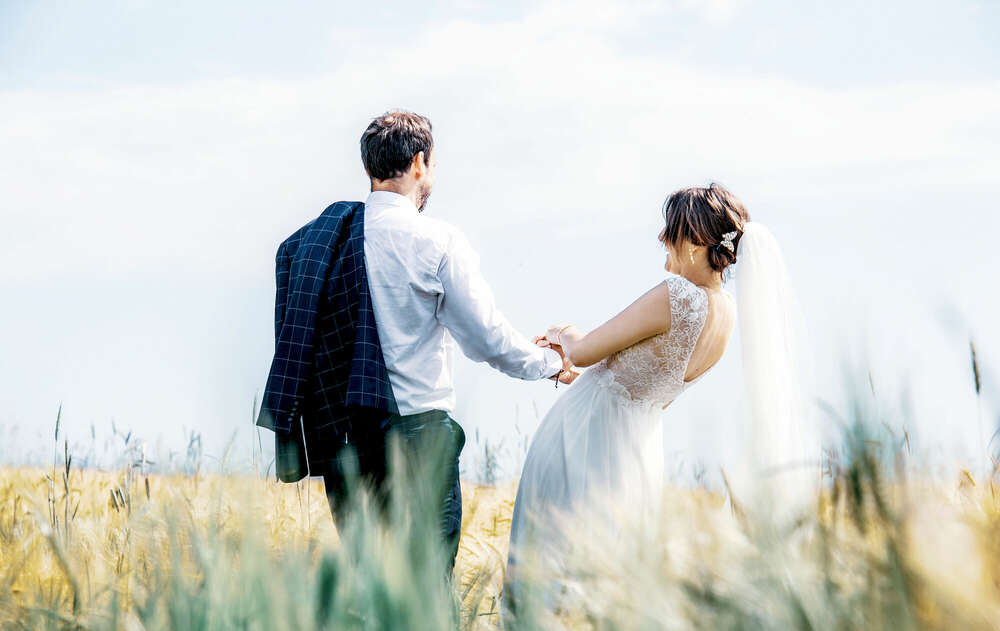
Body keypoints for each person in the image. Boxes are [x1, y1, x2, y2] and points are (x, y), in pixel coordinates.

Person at [256, 110, 573, 574]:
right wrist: (549, 363)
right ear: (421, 162)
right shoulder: (435, 239)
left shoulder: (311, 243)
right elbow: (487, 337)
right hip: (418, 438)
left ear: (369, 168)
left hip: (344, 443)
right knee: (425, 594)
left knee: (371, 592)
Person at [503, 183, 813, 618]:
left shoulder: (678, 296)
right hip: (637, 452)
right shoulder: (725, 314)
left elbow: (585, 350)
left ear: (694, 240)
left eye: (671, 230)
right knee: (607, 588)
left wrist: (560, 332)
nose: (663, 240)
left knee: (547, 573)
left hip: (583, 442)